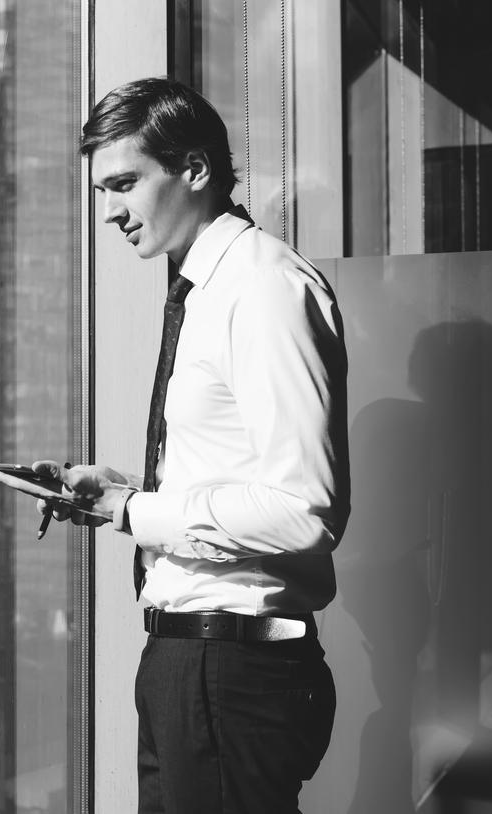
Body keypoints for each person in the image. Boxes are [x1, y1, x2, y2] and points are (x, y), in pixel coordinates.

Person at [37, 77, 349, 813]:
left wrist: (135, 512)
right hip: (195, 663)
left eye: (124, 184)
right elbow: (240, 473)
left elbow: (305, 510)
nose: (109, 212)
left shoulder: (262, 288)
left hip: (229, 668)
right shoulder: (207, 289)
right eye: (102, 190)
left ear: (196, 170)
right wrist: (123, 496)